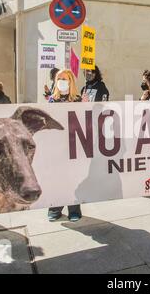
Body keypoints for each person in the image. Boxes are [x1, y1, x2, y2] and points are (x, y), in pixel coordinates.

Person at [48, 70, 83, 222]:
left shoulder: (78, 100)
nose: (62, 81)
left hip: (74, 145)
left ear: (71, 81)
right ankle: (55, 208)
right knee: (58, 178)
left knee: (73, 177)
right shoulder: (52, 100)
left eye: (65, 78)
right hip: (57, 147)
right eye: (59, 79)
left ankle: (74, 209)